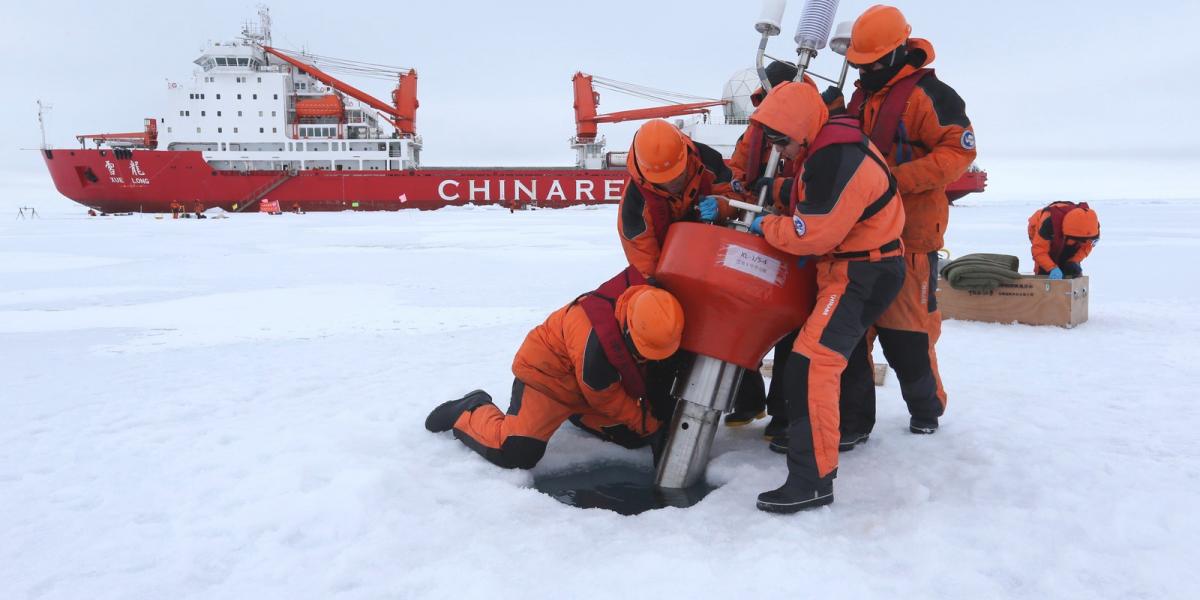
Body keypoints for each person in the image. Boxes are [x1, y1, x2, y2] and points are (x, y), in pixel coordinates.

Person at [735, 81, 905, 512]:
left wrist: (766, 227)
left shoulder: (835, 157)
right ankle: (840, 437)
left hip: (860, 272)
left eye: (780, 139)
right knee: (826, 360)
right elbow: (806, 199)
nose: (778, 149)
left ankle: (812, 481)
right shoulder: (827, 147)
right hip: (853, 267)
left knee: (812, 365)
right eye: (769, 139)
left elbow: (809, 234)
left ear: (802, 128)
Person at [837, 4, 977, 439]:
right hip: (857, 240)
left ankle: (926, 409)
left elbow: (959, 153)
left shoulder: (933, 97)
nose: (866, 71)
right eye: (859, 64)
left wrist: (893, 181)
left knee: (909, 337)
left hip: (911, 241)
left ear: (898, 52)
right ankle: (853, 424)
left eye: (874, 63)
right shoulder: (859, 96)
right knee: (851, 340)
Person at [718, 61, 875, 446]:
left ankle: (802, 422)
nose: (777, 148)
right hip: (786, 239)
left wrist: (770, 220)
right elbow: (745, 176)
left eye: (781, 143)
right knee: (755, 326)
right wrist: (733, 203)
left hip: (828, 251)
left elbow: (816, 214)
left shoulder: (829, 140)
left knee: (812, 344)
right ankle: (767, 407)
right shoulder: (766, 129)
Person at [424, 268, 685, 470]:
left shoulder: (653, 311)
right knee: (517, 452)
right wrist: (651, 426)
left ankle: (576, 415)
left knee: (633, 438)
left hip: (586, 390)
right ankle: (471, 408)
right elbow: (603, 394)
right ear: (629, 329)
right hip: (548, 381)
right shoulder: (593, 343)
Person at [619, 119, 736, 279]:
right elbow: (645, 268)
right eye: (662, 180)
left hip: (719, 260)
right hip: (670, 268)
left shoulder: (709, 161)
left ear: (685, 156)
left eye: (676, 175)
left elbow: (740, 200)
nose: (671, 183)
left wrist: (721, 207)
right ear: (646, 175)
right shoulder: (634, 207)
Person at [1027, 201, 1099, 278]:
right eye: (1077, 240)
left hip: (1065, 236)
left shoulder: (1091, 225)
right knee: (1044, 271)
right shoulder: (1049, 223)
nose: (1082, 242)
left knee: (1071, 270)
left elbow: (1086, 247)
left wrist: (1074, 261)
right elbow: (1039, 250)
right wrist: (1051, 268)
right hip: (1042, 234)